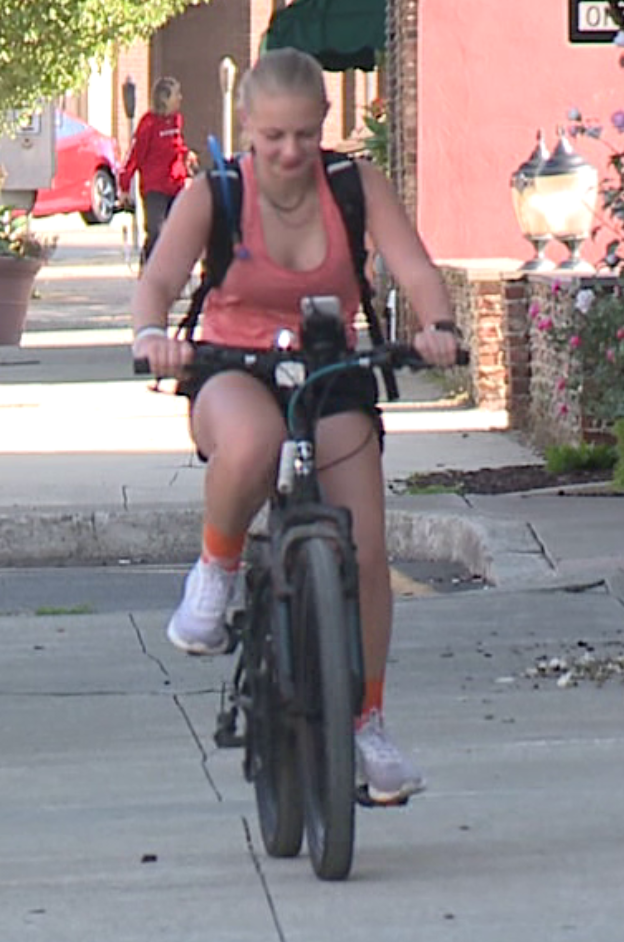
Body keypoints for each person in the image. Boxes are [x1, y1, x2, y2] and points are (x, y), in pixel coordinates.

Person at [129, 48, 462, 805]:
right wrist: (153, 334)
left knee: (368, 548)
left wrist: (436, 324)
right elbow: (158, 278)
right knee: (253, 444)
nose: (288, 152)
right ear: (246, 126)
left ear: (322, 128)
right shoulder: (215, 192)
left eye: (304, 136)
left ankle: (367, 722)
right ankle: (213, 574)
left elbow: (412, 266)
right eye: (272, 136)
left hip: (327, 367)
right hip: (228, 366)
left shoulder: (353, 187)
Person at [117, 77, 196, 265]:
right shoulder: (149, 124)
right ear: (164, 98)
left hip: (175, 184)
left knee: (177, 232)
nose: (180, 98)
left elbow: (176, 145)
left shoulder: (176, 120)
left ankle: (172, 274)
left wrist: (187, 155)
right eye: (176, 94)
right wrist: (125, 186)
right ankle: (147, 269)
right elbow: (135, 155)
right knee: (157, 230)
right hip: (154, 188)